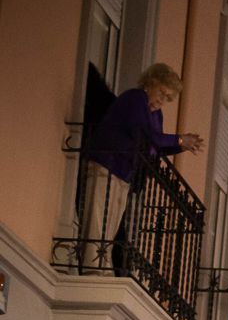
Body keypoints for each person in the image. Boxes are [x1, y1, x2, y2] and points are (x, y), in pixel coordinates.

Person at [78, 63, 204, 269]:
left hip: (123, 174)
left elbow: (153, 146)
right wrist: (179, 140)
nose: (162, 101)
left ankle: (101, 269)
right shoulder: (135, 98)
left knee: (109, 229)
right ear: (151, 82)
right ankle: (93, 269)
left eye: (168, 98)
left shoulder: (156, 115)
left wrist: (182, 146)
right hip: (106, 166)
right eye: (162, 93)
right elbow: (144, 135)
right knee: (97, 222)